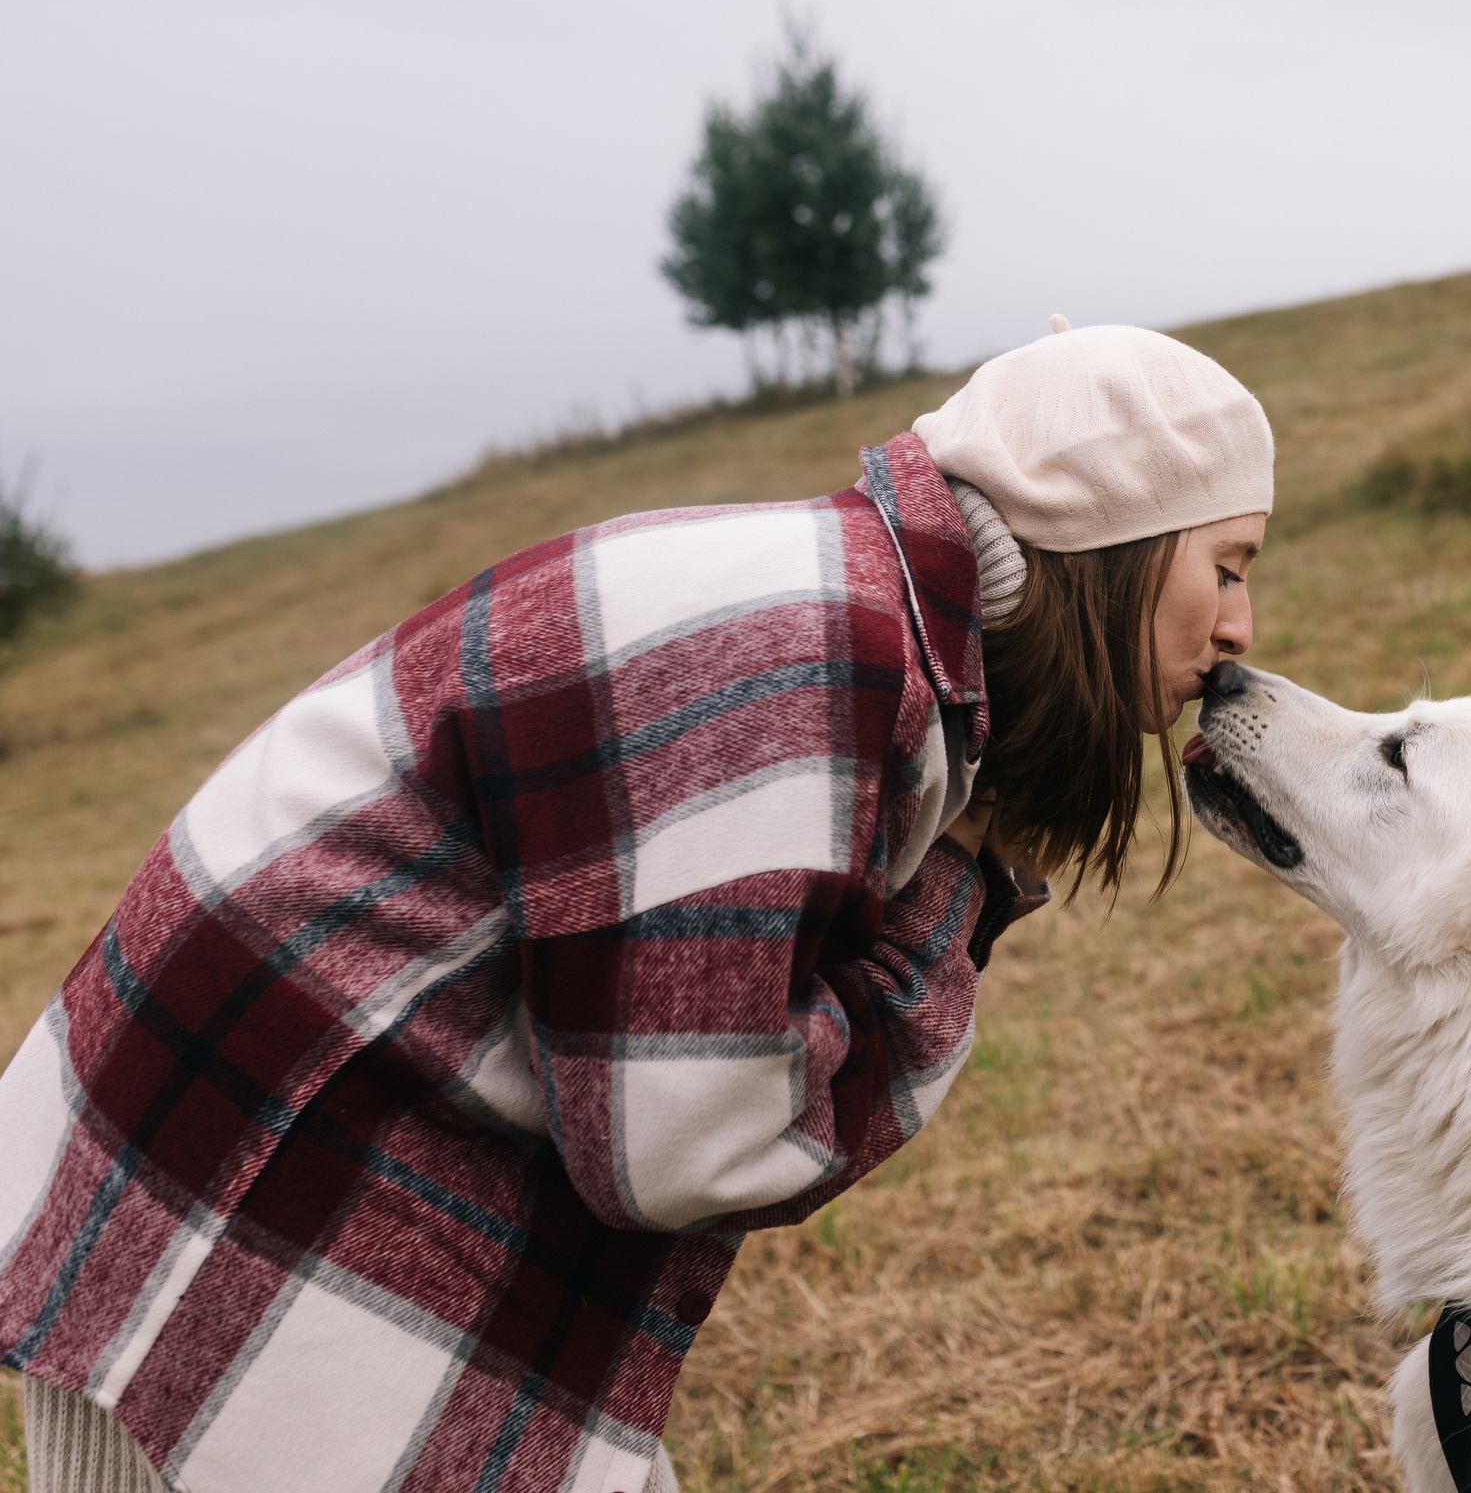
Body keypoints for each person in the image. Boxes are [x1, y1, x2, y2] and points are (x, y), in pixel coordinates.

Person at [0, 319, 1272, 1493]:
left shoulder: (854, 614)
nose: (1239, 626)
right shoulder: (825, 653)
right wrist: (956, 900)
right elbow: (683, 1142)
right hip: (245, 1150)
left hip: (240, 1108)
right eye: (1225, 566)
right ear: (1117, 543)